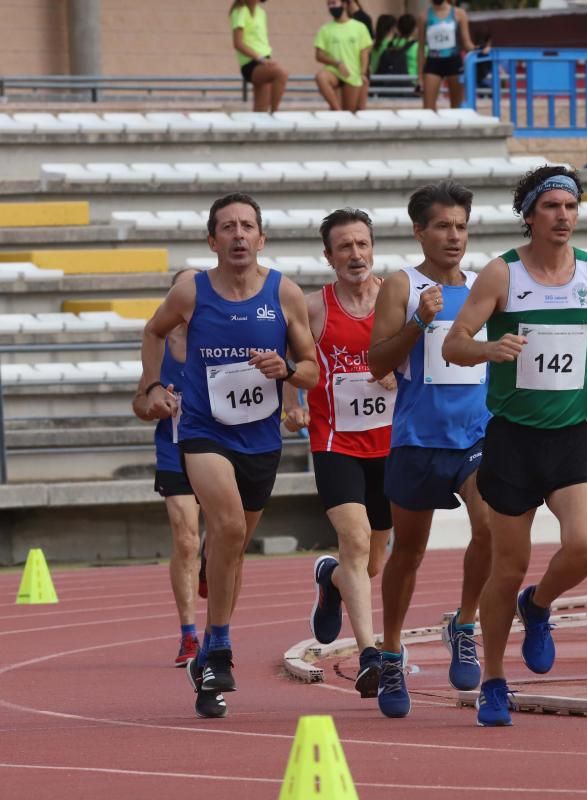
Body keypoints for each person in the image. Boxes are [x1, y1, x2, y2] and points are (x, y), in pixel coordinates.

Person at [443, 165, 587, 727]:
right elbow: (454, 344)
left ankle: (539, 604)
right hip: (513, 441)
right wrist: (488, 350)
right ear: (529, 215)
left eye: (570, 207)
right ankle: (495, 681)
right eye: (551, 207)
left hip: (570, 436)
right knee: (507, 567)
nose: (563, 217)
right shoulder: (502, 275)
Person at [138, 192, 319, 719]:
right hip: (203, 432)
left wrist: (285, 371)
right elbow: (152, 331)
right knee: (230, 528)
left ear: (261, 238)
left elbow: (310, 368)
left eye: (247, 226)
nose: (238, 235)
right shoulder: (191, 291)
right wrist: (151, 384)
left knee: (232, 551)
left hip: (260, 441)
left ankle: (209, 663)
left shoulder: (283, 292)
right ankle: (217, 646)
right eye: (227, 227)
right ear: (211, 240)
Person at [367, 180, 492, 719]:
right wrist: (419, 320)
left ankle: (464, 622)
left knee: (491, 525)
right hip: (418, 439)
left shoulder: (487, 285)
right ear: (419, 230)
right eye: (442, 226)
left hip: (478, 435)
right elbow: (376, 364)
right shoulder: (401, 285)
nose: (454, 236)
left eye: (461, 226)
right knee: (409, 553)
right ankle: (392, 648)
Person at [281, 208, 395, 701]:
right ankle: (371, 654)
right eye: (344, 247)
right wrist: (291, 401)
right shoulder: (313, 308)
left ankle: (329, 580)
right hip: (336, 441)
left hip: (393, 443)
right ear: (328, 256)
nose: (355, 254)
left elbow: (427, 350)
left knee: (372, 561)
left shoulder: (398, 297)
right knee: (355, 540)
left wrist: (399, 370)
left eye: (362, 244)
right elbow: (295, 363)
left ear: (373, 248)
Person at [133, 268, 203, 669]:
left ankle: (213, 561)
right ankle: (189, 634)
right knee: (186, 538)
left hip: (220, 450)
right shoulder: (157, 346)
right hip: (173, 450)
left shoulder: (217, 338)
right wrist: (152, 406)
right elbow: (139, 403)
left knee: (228, 535)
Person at [229, 0, 289, 113]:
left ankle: (261, 125)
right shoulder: (240, 11)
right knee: (281, 73)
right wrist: (260, 59)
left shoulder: (261, 13)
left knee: (260, 110)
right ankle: (275, 113)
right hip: (250, 63)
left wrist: (267, 59)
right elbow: (238, 43)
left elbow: (261, 41)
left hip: (264, 61)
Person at [314, 0, 374, 112]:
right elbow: (319, 55)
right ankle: (337, 110)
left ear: (345, 4)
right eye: (329, 4)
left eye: (334, 3)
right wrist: (337, 63)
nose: (331, 7)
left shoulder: (359, 27)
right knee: (321, 77)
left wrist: (362, 73)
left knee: (351, 110)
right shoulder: (325, 29)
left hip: (352, 74)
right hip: (334, 71)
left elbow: (364, 53)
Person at [418, 0, 475, 110]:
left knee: (457, 107)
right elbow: (420, 48)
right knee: (428, 109)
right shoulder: (423, 16)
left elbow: (466, 42)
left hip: (453, 61)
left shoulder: (459, 13)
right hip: (433, 62)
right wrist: (419, 76)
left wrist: (479, 49)